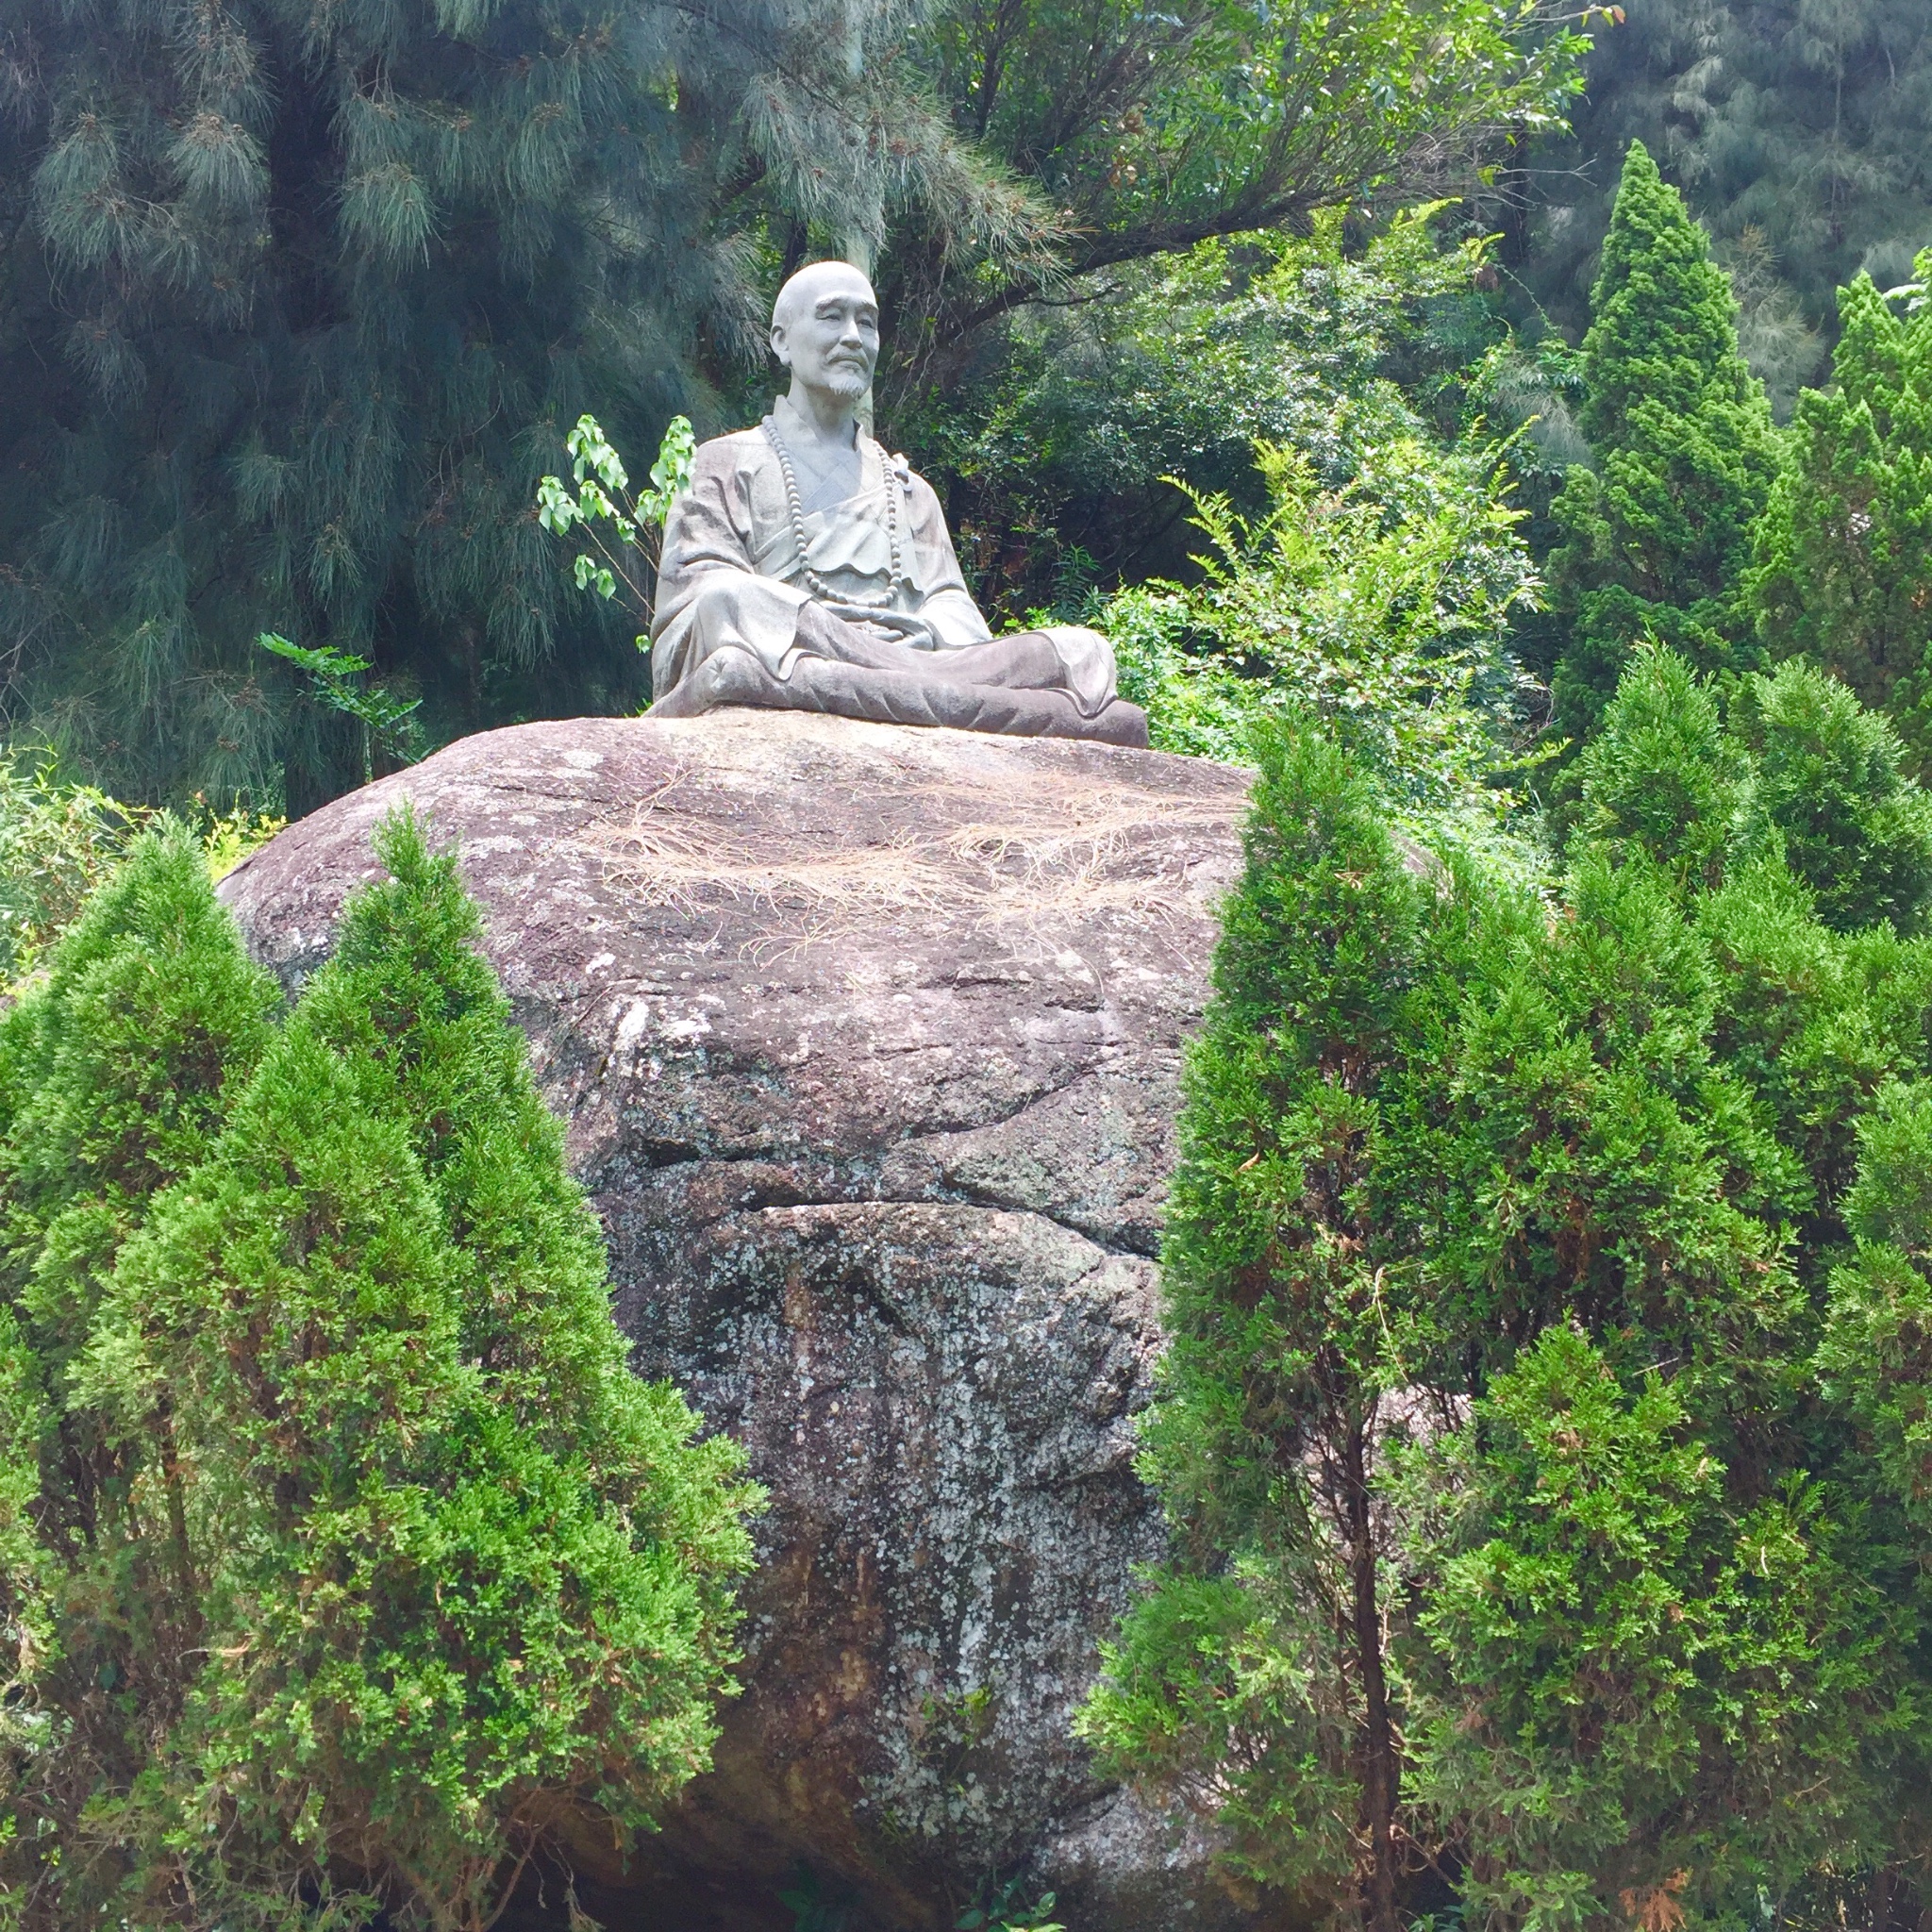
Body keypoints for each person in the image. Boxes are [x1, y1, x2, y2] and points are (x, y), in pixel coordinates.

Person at [647, 260, 1149, 747]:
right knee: (737, 601)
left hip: (914, 662)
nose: (852, 336)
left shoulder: (909, 490)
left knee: (1084, 652)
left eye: (867, 322)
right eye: (831, 316)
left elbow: (951, 604)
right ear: (781, 341)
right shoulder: (723, 462)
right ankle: (905, 688)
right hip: (809, 643)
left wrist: (926, 634)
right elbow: (696, 605)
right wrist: (825, 626)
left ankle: (886, 683)